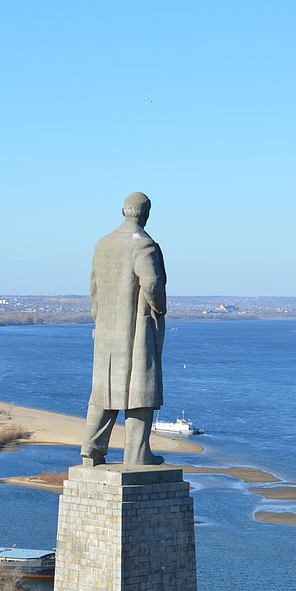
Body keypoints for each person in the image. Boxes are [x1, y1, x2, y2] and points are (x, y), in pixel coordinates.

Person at [80, 191, 167, 466]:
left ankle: (91, 449)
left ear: (123, 211)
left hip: (106, 331)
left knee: (103, 391)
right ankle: (137, 453)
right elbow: (152, 285)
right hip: (136, 330)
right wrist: (160, 308)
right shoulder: (144, 245)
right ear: (147, 214)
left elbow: (93, 290)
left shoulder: (102, 244)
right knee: (140, 390)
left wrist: (101, 319)